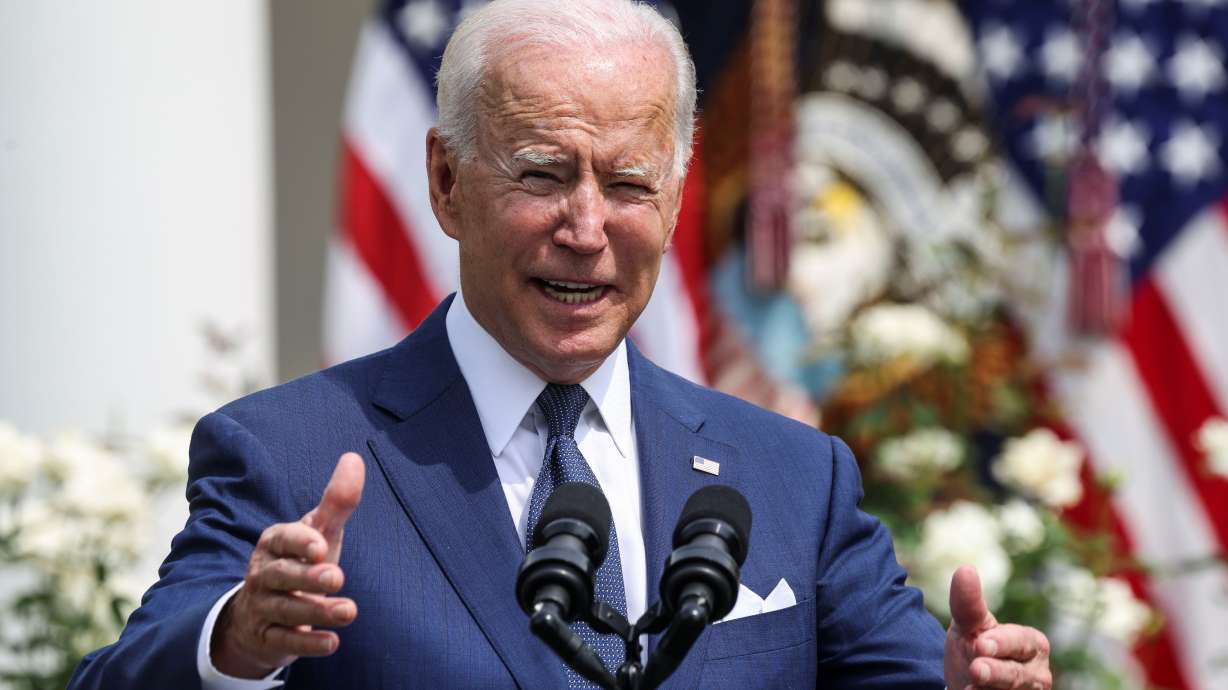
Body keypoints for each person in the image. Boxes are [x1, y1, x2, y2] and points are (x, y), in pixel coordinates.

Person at [69, 1, 1052, 688]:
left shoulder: (793, 476)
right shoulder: (290, 453)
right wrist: (238, 641)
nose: (586, 229)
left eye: (627, 185)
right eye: (542, 175)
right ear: (447, 183)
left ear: (675, 197)